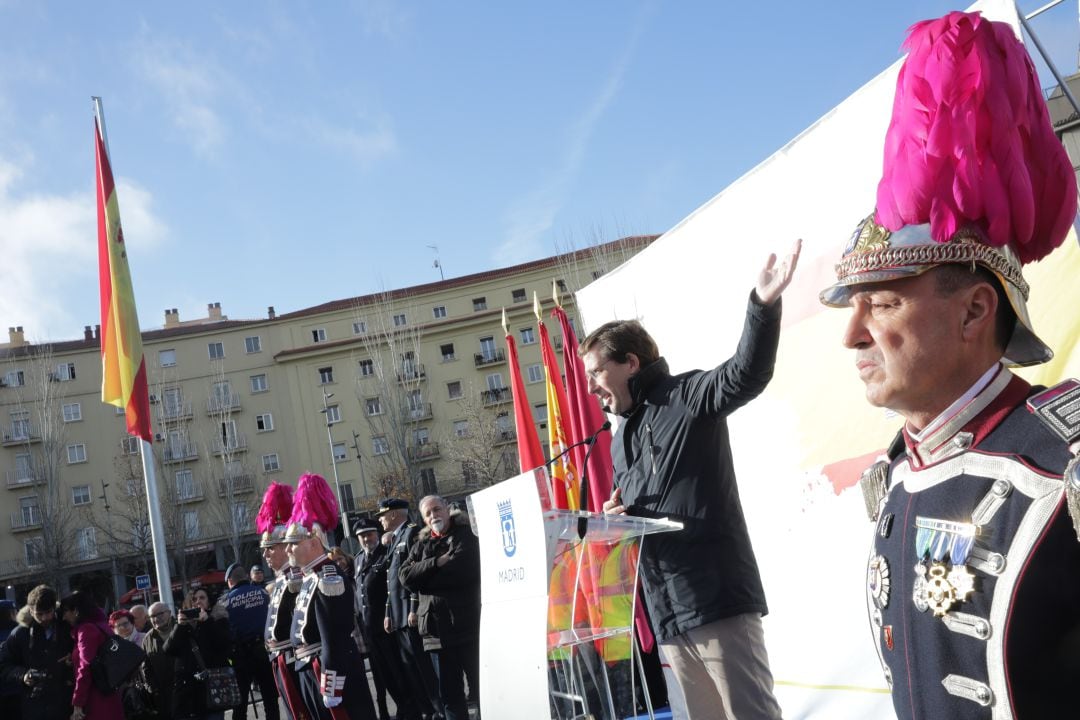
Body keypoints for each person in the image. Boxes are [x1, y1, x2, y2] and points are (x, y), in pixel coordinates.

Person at [818, 11, 1080, 720]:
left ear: (972, 313)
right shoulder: (895, 475)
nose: (853, 335)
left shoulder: (1065, 460)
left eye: (883, 305)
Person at [586, 240, 800, 718]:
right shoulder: (620, 438)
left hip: (717, 600)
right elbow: (647, 515)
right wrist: (617, 520)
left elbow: (745, 374)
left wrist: (762, 306)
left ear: (631, 364)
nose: (591, 386)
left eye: (598, 371)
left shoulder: (686, 396)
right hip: (668, 612)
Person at [285, 472, 376, 719]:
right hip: (310, 665)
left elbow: (334, 636)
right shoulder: (310, 576)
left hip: (328, 669)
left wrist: (331, 681)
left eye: (293, 543)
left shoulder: (328, 576)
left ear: (314, 543)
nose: (288, 550)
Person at [400, 495, 481, 720]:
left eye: (437, 509)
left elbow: (462, 572)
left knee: (482, 689)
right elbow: (405, 577)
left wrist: (424, 579)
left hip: (468, 629)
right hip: (435, 635)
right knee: (450, 697)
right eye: (428, 513)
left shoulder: (466, 535)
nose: (434, 515)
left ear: (446, 509)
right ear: (424, 519)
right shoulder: (420, 545)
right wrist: (436, 563)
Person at [380, 497, 443, 720]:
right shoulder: (396, 538)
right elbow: (392, 582)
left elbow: (416, 573)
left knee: (423, 667)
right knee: (411, 668)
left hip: (411, 613)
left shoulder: (411, 533)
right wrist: (389, 613)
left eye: (383, 515)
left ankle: (439, 709)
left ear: (394, 514)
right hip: (399, 614)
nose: (381, 520)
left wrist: (414, 608)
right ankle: (427, 709)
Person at [257, 480, 310, 720]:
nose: (266, 554)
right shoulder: (280, 580)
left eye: (270, 547)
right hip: (280, 657)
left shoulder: (296, 577)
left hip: (294, 656)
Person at [355, 518, 414, 720]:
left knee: (399, 670)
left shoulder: (385, 555)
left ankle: (409, 708)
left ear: (377, 535)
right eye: (362, 536)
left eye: (369, 534)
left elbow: (391, 588)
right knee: (384, 674)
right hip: (369, 630)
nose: (366, 539)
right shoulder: (358, 560)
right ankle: (402, 705)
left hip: (387, 626)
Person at [0, 585, 73, 720]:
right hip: (36, 707)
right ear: (31, 611)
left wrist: (74, 658)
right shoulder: (20, 634)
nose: (44, 618)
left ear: (54, 609)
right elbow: (4, 665)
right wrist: (23, 675)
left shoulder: (67, 626)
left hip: (66, 703)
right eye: (39, 613)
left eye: (48, 612)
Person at [222, 563, 281, 720]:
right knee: (270, 700)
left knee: (240, 705)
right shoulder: (263, 593)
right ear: (246, 576)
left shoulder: (226, 602)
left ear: (229, 581)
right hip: (265, 652)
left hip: (241, 657)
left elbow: (226, 631)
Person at [165, 588, 234, 720]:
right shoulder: (184, 624)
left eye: (202, 598)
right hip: (189, 692)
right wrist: (180, 626)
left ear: (209, 601)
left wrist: (207, 621)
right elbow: (169, 649)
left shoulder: (218, 619)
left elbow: (225, 644)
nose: (198, 602)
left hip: (213, 687)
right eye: (194, 599)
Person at [59, 590, 124, 720]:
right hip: (108, 693)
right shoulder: (100, 624)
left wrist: (77, 702)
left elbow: (85, 667)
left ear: (76, 611)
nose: (63, 617)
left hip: (96, 698)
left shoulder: (86, 630)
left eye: (66, 611)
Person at [141, 601, 178, 720]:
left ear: (169, 613)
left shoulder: (182, 628)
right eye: (152, 616)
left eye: (160, 614)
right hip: (164, 698)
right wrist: (153, 689)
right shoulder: (148, 638)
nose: (156, 619)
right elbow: (146, 668)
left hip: (188, 692)